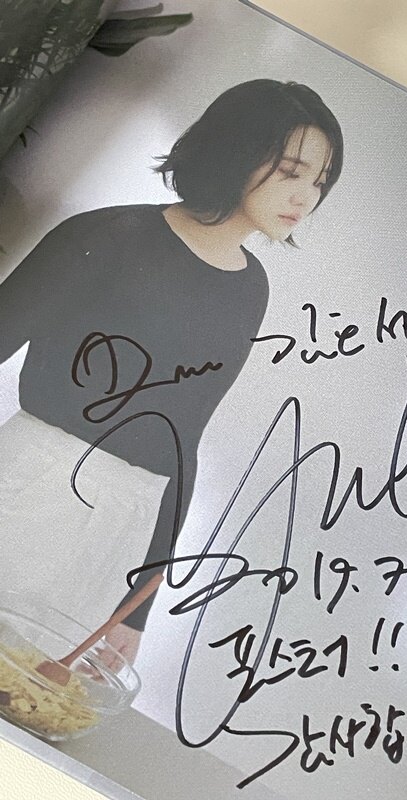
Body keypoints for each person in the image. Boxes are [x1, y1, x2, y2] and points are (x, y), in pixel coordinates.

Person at [0, 79, 343, 666]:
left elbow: (183, 440)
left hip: (123, 528)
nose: (305, 196)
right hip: (32, 483)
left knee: (31, 700)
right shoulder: (108, 235)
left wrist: (138, 606)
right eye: (291, 172)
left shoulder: (250, 287)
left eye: (319, 181)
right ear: (235, 152)